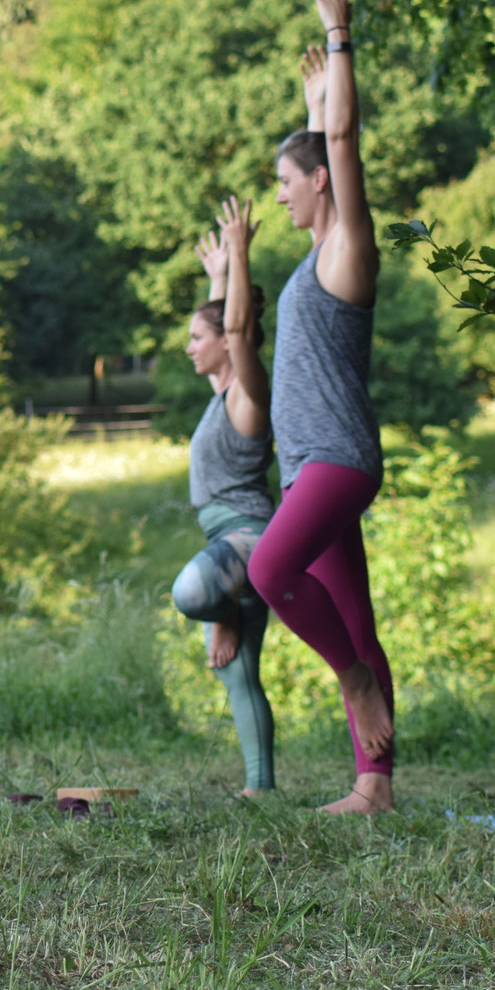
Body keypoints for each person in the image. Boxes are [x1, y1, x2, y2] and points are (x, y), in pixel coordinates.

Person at [245, 0, 396, 815]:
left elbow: (338, 153)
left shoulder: (348, 251)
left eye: (284, 182)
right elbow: (318, 153)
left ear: (318, 190)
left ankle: (354, 681)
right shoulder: (314, 258)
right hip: (311, 465)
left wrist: (341, 41)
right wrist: (311, 104)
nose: (277, 192)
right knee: (354, 614)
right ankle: (372, 787)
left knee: (273, 569)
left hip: (338, 460)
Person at [172, 198, 277, 795]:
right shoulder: (221, 392)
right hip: (229, 541)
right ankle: (260, 789)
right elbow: (222, 322)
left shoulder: (248, 393)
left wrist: (241, 251)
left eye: (195, 338)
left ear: (225, 346)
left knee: (190, 592)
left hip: (248, 535)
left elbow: (234, 331)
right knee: (237, 673)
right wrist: (219, 274)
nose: (189, 347)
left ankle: (227, 609)